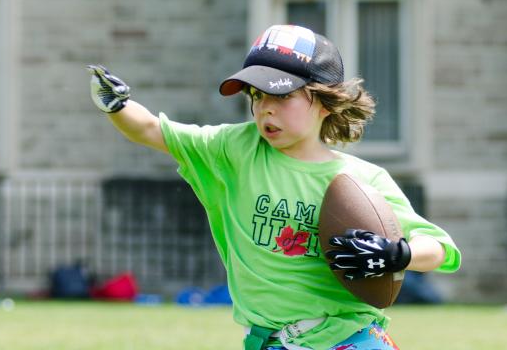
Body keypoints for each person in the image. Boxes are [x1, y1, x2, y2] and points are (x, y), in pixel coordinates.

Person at [88, 24, 461, 350]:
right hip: (273, 341)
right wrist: (116, 106)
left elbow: (441, 250)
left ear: (326, 100)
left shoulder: (363, 180)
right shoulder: (236, 150)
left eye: (281, 96)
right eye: (257, 96)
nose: (266, 108)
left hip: (351, 338)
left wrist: (395, 254)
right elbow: (151, 130)